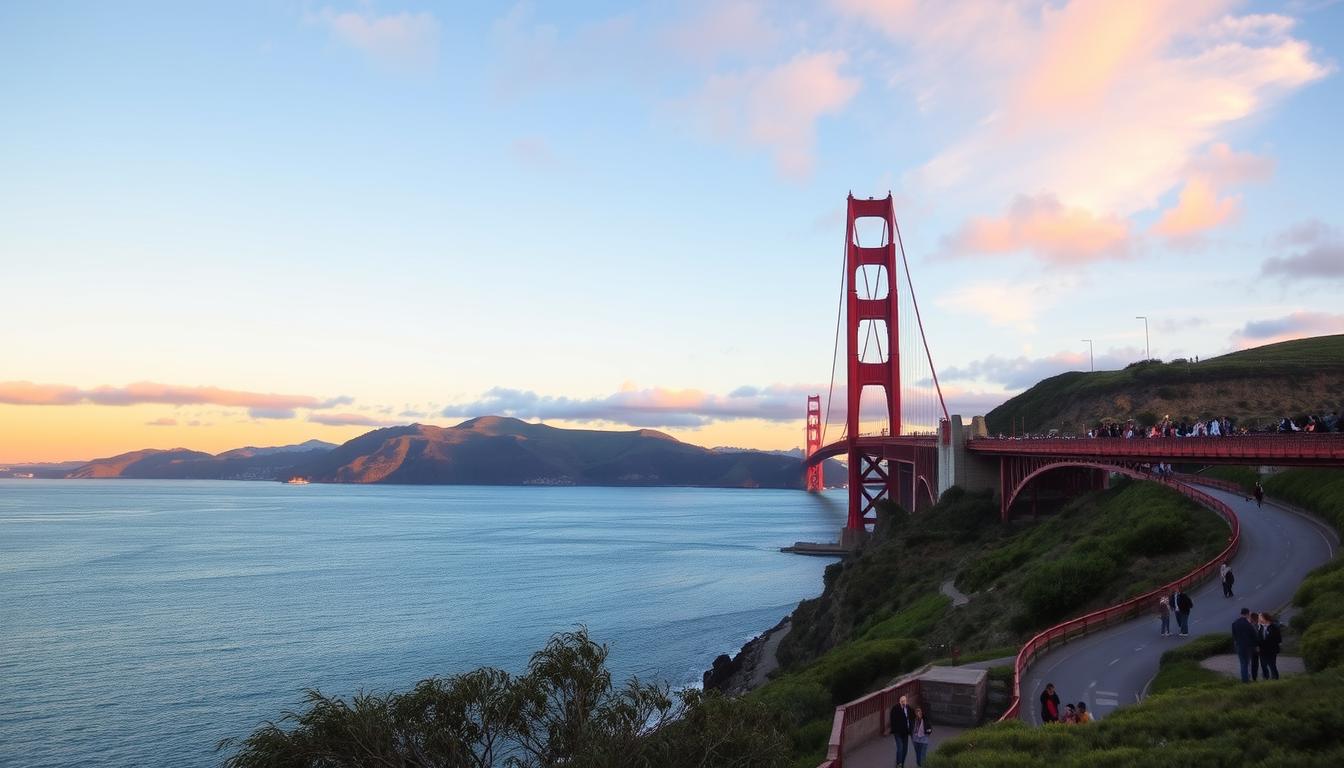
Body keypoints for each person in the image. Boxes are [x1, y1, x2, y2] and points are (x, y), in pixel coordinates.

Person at [1232, 608, 1259, 683]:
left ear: (1241, 614)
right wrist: (1256, 646)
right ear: (1247, 614)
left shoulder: (1234, 623)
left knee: (1243, 664)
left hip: (1239, 646)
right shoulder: (1248, 624)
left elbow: (1234, 636)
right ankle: (1249, 679)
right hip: (1248, 647)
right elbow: (1254, 635)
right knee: (1248, 663)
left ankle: (1244, 680)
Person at [890, 694, 915, 767]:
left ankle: (902, 764)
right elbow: (893, 720)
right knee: (900, 748)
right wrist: (895, 730)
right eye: (902, 701)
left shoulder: (908, 708)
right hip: (898, 733)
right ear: (899, 701)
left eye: (905, 701)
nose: (904, 702)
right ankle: (899, 764)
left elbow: (913, 716)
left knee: (905, 750)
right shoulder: (895, 709)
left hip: (906, 732)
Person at [1260, 612, 1283, 680]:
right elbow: (1260, 637)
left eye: (1260, 617)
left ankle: (1275, 678)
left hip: (1271, 649)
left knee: (1272, 664)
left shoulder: (1273, 627)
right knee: (1264, 665)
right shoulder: (1261, 627)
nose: (1259, 619)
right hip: (1263, 650)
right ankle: (1265, 678)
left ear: (1265, 618)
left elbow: (1278, 639)